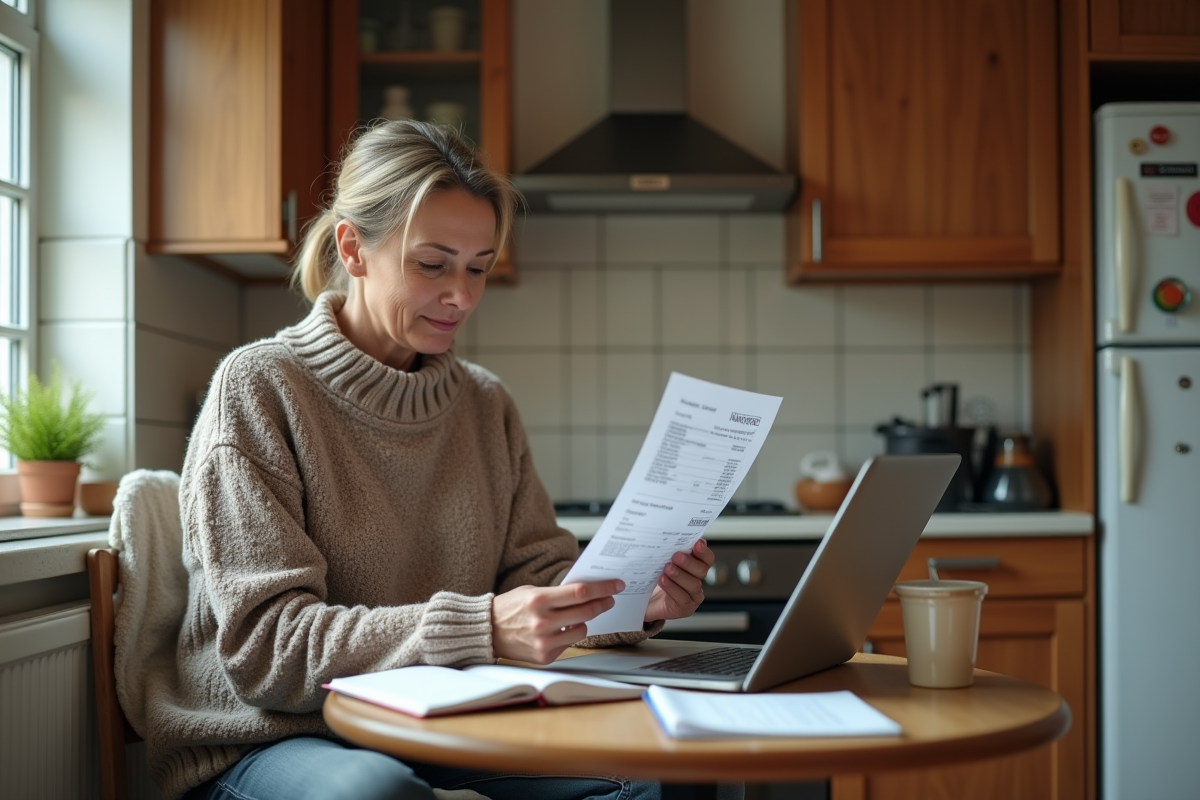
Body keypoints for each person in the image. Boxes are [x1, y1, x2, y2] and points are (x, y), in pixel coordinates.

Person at [148, 119, 718, 800]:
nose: (462, 296)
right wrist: (482, 628)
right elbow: (268, 651)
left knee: (657, 773)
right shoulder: (260, 387)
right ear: (353, 249)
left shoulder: (485, 403)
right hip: (270, 738)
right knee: (372, 793)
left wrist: (629, 601)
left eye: (478, 268)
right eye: (432, 264)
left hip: (441, 723)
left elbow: (538, 578)